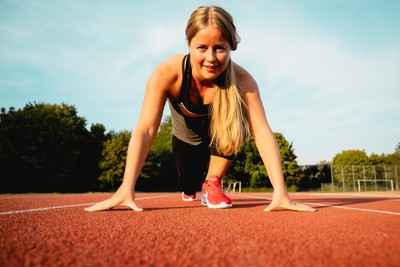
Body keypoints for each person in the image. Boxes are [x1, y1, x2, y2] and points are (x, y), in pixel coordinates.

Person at [85, 6, 316, 212]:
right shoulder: (168, 74)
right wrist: (127, 187)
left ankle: (212, 182)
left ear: (231, 47)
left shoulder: (243, 81)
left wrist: (281, 191)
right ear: (189, 45)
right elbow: (145, 129)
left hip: (222, 133)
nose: (211, 58)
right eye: (202, 47)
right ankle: (192, 186)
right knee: (188, 183)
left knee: (241, 118)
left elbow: (262, 132)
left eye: (220, 48)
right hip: (186, 137)